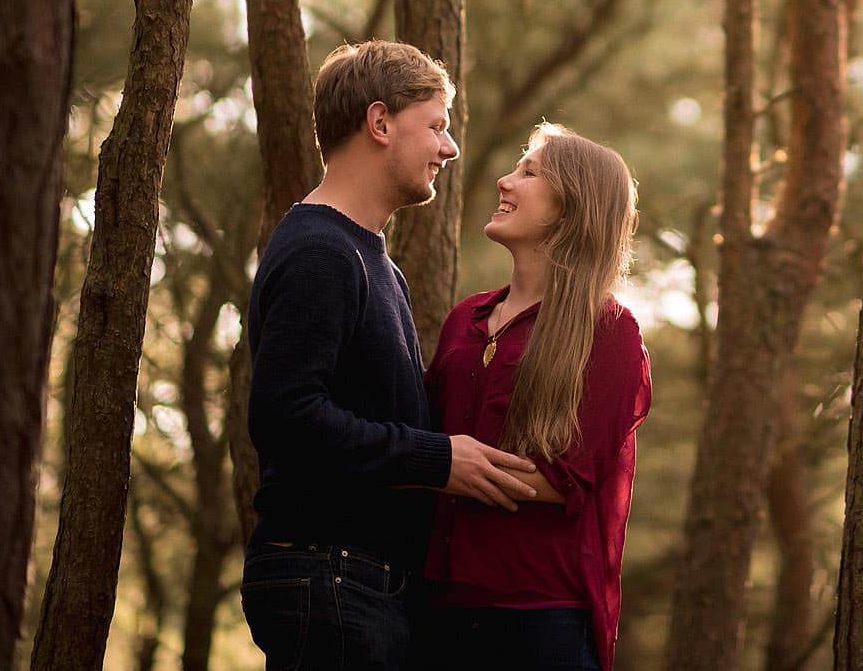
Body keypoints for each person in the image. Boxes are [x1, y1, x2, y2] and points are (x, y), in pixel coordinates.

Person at [241, 40, 543, 671]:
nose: (450, 148)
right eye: (435, 126)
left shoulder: (371, 260)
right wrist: (436, 459)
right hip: (329, 577)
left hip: (357, 582)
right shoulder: (321, 251)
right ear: (379, 123)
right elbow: (284, 415)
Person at [419, 123, 652, 671]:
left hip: (541, 620)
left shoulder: (610, 331)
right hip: (433, 609)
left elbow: (568, 479)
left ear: (574, 207)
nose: (504, 180)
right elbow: (424, 437)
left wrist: (450, 467)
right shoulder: (464, 318)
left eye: (528, 172)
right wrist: (439, 461)